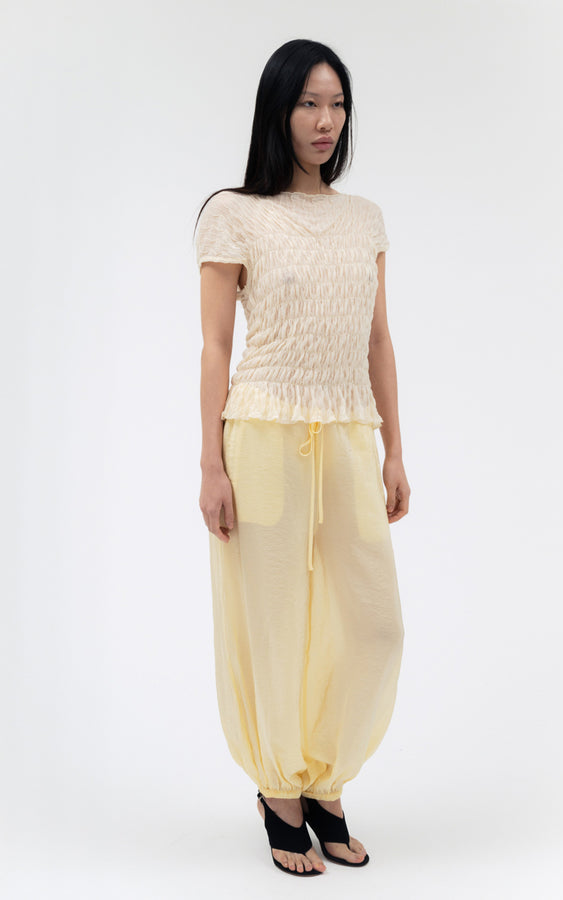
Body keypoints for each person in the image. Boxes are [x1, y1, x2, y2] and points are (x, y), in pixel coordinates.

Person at [194, 38, 410, 877]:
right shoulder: (233, 213)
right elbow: (216, 347)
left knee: (374, 626)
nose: (326, 121)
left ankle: (324, 776)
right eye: (309, 103)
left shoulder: (365, 219)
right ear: (278, 110)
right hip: (263, 435)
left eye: (338, 104)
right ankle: (282, 790)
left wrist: (395, 450)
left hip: (349, 435)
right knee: (276, 619)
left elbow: (379, 339)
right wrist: (211, 465)